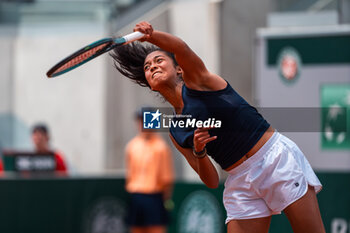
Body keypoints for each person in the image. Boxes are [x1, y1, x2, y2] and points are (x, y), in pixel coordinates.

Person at [111, 21, 325, 233]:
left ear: (178, 69)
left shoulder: (199, 81)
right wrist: (200, 151)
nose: (153, 67)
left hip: (274, 160)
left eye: (159, 60)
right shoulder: (176, 131)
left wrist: (151, 35)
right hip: (240, 180)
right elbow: (212, 181)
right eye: (147, 68)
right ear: (148, 82)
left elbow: (181, 48)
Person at [125, 109, 174, 233]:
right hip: (136, 196)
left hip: (154, 197)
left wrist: (165, 200)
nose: (143, 124)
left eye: (146, 120)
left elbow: (166, 179)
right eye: (140, 121)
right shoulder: (132, 146)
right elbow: (130, 173)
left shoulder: (161, 147)